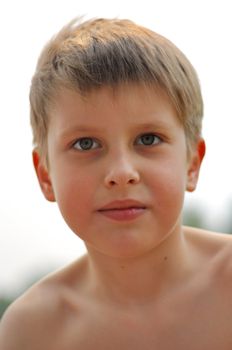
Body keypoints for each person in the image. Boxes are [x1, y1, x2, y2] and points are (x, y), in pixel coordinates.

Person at [0, 16, 232, 350]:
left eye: (148, 139)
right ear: (46, 176)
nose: (121, 172)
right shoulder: (31, 332)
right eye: (85, 144)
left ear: (192, 163)